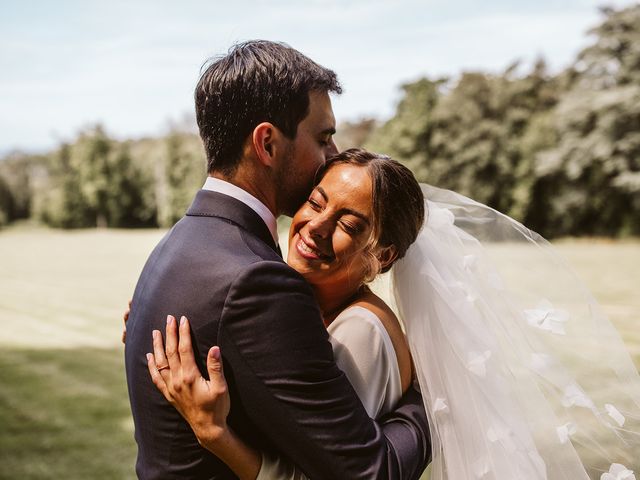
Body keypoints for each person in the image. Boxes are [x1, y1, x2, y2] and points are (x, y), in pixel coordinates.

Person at [148, 152, 640, 478]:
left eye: (349, 223)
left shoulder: (360, 332)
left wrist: (215, 434)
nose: (315, 226)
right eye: (317, 202)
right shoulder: (314, 311)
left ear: (381, 257)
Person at [124, 41, 430, 480]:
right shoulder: (258, 282)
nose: (331, 155)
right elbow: (369, 472)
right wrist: (432, 402)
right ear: (267, 143)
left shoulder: (179, 243)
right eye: (323, 137)